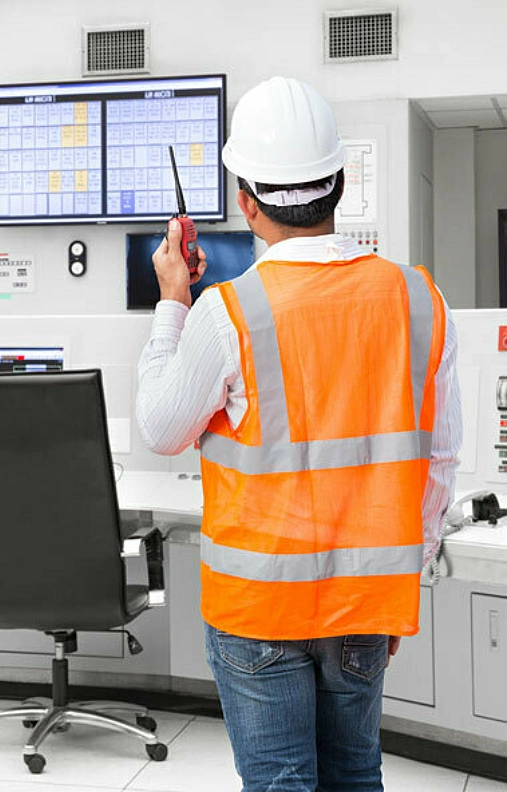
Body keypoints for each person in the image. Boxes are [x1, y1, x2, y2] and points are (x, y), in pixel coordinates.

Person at [136, 76, 462, 792]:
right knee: (354, 776)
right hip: (362, 603)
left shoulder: (227, 312)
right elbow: (437, 462)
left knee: (282, 783)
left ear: (247, 204)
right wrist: (396, 583)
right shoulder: (417, 297)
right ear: (339, 182)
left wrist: (171, 302)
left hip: (258, 610)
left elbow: (161, 429)